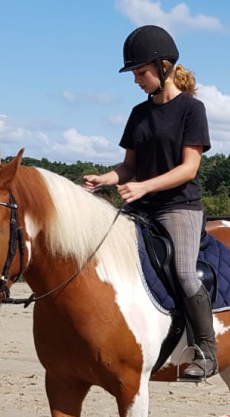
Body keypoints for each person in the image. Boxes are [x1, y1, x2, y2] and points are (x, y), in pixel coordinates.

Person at [83, 25, 216, 380]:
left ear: (163, 66)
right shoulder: (138, 114)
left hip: (179, 206)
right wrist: (104, 179)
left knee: (184, 273)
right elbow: (128, 167)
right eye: (135, 74)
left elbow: (189, 168)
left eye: (140, 72)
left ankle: (206, 350)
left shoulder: (192, 110)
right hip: (140, 208)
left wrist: (144, 187)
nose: (136, 80)